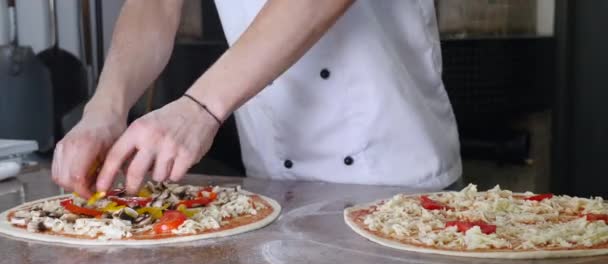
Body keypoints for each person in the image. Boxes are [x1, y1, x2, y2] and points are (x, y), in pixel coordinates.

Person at [52, 0, 462, 198]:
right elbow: (155, 5)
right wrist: (104, 108)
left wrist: (201, 108)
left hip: (393, 169)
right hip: (272, 179)